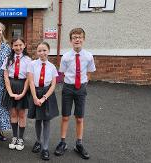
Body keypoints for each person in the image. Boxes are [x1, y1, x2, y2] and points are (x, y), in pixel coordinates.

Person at [54, 28, 96, 160]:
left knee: (79, 118)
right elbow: (63, 72)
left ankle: (79, 143)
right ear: (71, 40)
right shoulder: (66, 56)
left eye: (79, 37)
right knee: (65, 117)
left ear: (83, 39)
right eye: (74, 37)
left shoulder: (88, 56)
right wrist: (71, 83)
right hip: (68, 88)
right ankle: (62, 142)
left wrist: (84, 83)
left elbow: (90, 72)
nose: (77, 39)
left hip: (81, 89)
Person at [27, 42, 59, 160]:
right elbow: (30, 81)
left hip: (47, 95)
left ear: (48, 51)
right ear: (37, 52)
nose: (42, 53)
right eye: (39, 50)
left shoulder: (52, 67)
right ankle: (38, 142)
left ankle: (45, 148)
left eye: (44, 50)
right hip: (35, 92)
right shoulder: (32, 64)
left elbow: (53, 85)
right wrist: (35, 98)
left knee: (46, 121)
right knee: (38, 119)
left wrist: (44, 98)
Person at [1, 38, 32, 150]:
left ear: (24, 45)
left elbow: (29, 78)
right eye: (15, 45)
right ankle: (14, 137)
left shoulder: (28, 60)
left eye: (20, 45)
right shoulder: (8, 59)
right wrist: (9, 92)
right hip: (11, 86)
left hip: (23, 86)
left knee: (22, 114)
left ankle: (21, 138)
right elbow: (5, 75)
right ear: (12, 46)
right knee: (13, 114)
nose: (18, 48)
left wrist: (23, 92)